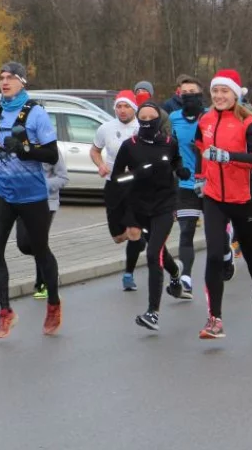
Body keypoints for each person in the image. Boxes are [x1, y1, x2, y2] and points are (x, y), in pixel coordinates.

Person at [0, 62, 62, 338]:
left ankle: (53, 304)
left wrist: (26, 149)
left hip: (32, 193)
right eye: (1, 77)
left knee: (37, 249)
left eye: (11, 78)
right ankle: (5, 312)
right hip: (2, 191)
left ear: (22, 82)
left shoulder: (36, 113)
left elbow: (51, 155)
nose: (4, 82)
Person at [195, 69, 252, 339]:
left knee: (251, 253)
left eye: (224, 91)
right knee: (215, 255)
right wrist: (199, 177)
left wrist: (229, 157)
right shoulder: (204, 119)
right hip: (214, 198)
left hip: (244, 199)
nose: (218, 96)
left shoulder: (248, 121)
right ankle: (214, 319)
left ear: (235, 94)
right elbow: (199, 148)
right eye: (215, 91)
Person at [111, 102, 188, 330]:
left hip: (165, 205)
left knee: (153, 253)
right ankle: (175, 274)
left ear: (158, 120)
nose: (146, 121)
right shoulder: (129, 146)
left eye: (150, 117)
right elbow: (117, 178)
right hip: (139, 207)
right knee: (159, 249)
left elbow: (176, 161)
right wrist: (135, 175)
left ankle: (152, 313)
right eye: (142, 117)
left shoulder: (169, 142)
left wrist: (181, 170)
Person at [91, 90, 143, 291]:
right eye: (119, 106)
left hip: (136, 186)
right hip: (114, 185)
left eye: (126, 106)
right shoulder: (106, 128)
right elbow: (95, 150)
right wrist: (101, 165)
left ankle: (128, 274)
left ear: (134, 108)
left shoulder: (141, 128)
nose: (122, 110)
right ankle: (141, 239)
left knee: (133, 230)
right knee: (118, 237)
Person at [168, 76, 207, 299]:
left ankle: (227, 246)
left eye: (193, 91)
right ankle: (186, 278)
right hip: (184, 184)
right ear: (179, 95)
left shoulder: (211, 117)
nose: (188, 95)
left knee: (217, 235)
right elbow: (168, 148)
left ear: (200, 94)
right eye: (184, 92)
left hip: (210, 182)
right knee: (186, 231)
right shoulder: (173, 118)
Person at [18, 152, 69, 299]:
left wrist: (41, 184)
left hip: (46, 203)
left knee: (38, 243)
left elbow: (63, 178)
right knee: (24, 244)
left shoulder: (51, 148)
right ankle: (50, 269)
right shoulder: (19, 148)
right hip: (22, 201)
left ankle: (44, 282)